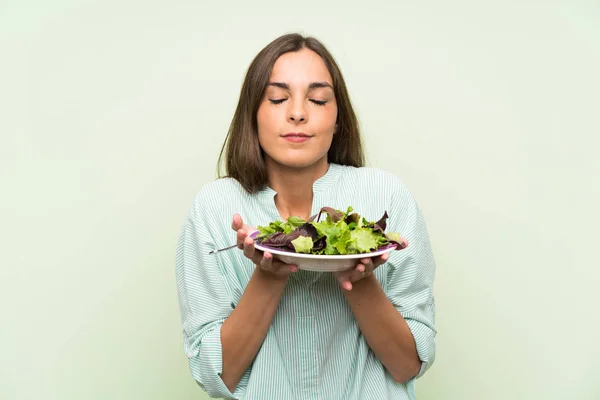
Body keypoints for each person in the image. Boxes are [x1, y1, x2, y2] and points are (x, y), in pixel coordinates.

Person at [175, 33, 436, 400]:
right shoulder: (215, 206)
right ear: (252, 114)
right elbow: (218, 375)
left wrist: (358, 277)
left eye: (317, 99)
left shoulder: (386, 195)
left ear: (337, 118)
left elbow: (408, 365)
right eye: (278, 98)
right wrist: (269, 273)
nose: (297, 112)